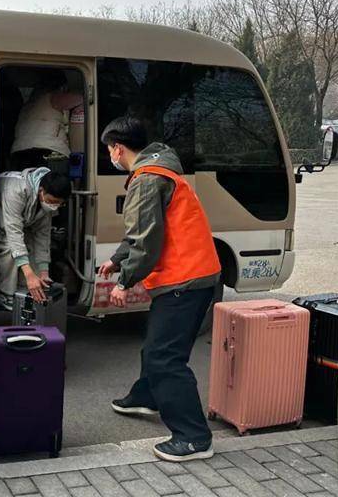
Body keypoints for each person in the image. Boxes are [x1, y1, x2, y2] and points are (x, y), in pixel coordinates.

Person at [97, 117, 221, 463]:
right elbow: (144, 231)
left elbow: (146, 241)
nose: (111, 156)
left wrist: (124, 282)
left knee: (164, 357)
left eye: (109, 150)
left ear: (117, 148)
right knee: (157, 345)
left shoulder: (147, 179)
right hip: (192, 276)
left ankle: (194, 438)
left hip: (184, 280)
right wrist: (117, 260)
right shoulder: (160, 171)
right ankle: (147, 396)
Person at [0, 167, 71, 310]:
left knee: (31, 250)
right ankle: (5, 294)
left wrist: (43, 272)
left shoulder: (47, 201)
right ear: (41, 190)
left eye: (59, 203)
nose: (54, 206)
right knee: (9, 248)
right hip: (4, 221)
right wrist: (29, 275)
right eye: (52, 201)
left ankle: (25, 291)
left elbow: (42, 236)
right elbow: (13, 232)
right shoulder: (16, 190)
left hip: (25, 223)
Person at [9, 71, 84, 171]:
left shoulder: (27, 106)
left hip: (18, 155)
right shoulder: (52, 97)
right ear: (61, 87)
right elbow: (84, 99)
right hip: (48, 153)